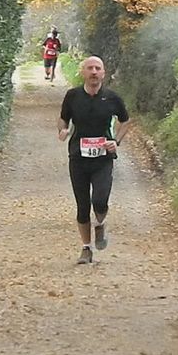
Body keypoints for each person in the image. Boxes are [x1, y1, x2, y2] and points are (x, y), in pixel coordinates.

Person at [57, 56, 130, 264]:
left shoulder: (112, 98)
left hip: (103, 158)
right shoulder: (72, 96)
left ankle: (100, 223)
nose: (94, 72)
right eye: (90, 68)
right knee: (82, 205)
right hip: (78, 157)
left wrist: (116, 141)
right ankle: (86, 249)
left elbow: (126, 121)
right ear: (83, 73)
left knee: (99, 200)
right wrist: (62, 130)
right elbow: (63, 118)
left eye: (98, 68)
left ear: (103, 73)